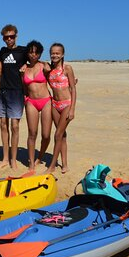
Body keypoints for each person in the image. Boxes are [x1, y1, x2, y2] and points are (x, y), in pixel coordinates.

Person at [0, 24, 28, 168]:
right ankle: (5, 158)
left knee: (15, 126)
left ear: (16, 36)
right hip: (2, 91)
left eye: (12, 36)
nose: (9, 39)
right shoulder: (2, 51)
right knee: (3, 125)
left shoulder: (23, 50)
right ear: (3, 38)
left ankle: (13, 160)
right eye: (6, 37)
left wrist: (27, 65)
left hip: (16, 92)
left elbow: (35, 61)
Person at [44, 42, 77, 174]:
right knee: (62, 135)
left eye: (57, 53)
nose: (55, 55)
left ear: (62, 54)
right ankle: (65, 164)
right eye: (52, 53)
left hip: (66, 104)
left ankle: (52, 165)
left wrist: (72, 109)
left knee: (57, 134)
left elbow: (73, 88)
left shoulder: (67, 68)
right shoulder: (48, 70)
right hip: (54, 104)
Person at [21, 40, 52, 171]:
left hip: (46, 101)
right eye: (31, 52)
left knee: (46, 135)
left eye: (36, 52)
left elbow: (55, 80)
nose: (33, 55)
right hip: (31, 102)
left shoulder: (44, 66)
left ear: (39, 54)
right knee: (32, 133)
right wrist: (25, 98)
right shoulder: (24, 68)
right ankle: (32, 162)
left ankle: (40, 156)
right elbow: (24, 87)